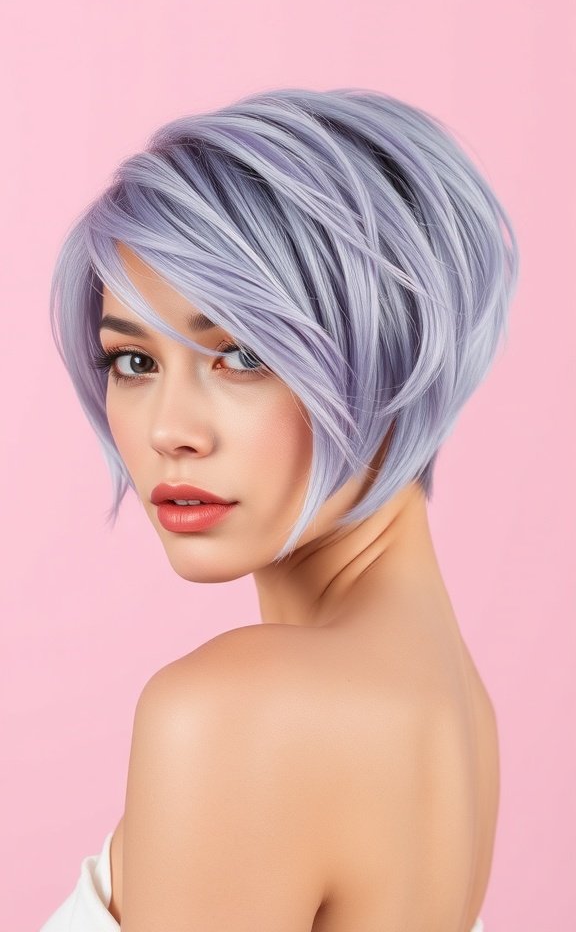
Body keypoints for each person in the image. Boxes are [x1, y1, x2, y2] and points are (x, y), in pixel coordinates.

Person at [40, 86, 519, 931]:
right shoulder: (453, 709)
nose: (168, 433)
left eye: (242, 354)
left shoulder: (240, 709)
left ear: (390, 350)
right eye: (134, 361)